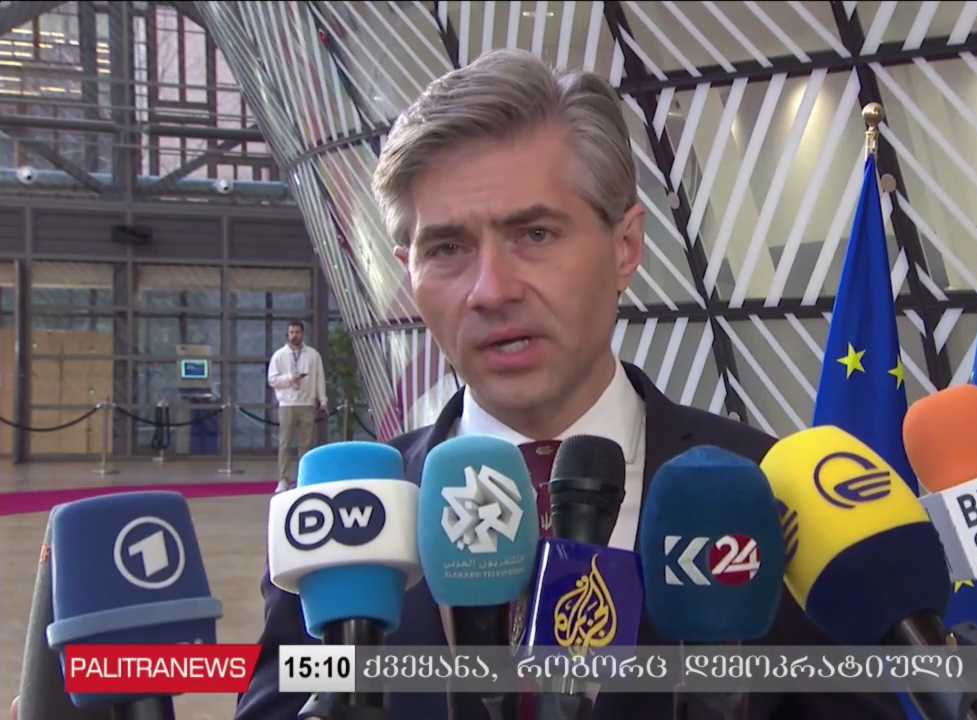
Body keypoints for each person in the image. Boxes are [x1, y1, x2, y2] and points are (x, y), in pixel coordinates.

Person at [236, 49, 903, 719]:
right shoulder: (342, 523)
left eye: (534, 234)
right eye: (447, 249)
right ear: (408, 272)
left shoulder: (771, 499)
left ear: (625, 246)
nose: (491, 291)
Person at [267, 320, 327, 492]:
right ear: (288, 335)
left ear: (302, 334)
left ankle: (303, 478)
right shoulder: (279, 355)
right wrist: (289, 378)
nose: (294, 335)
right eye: (292, 332)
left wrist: (323, 400)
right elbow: (272, 380)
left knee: (306, 445)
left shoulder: (313, 355)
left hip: (307, 403)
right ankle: (283, 479)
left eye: (297, 332)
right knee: (285, 443)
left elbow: (319, 378)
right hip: (287, 404)